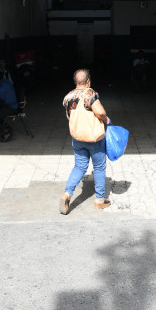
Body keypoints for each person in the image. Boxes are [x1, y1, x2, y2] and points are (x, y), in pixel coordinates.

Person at [60, 69, 111, 214]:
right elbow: (100, 112)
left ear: (76, 82)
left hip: (77, 137)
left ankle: (67, 194)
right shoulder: (90, 93)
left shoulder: (68, 97)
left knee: (79, 167)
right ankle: (100, 200)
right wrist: (106, 119)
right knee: (99, 167)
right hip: (93, 138)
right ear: (88, 81)